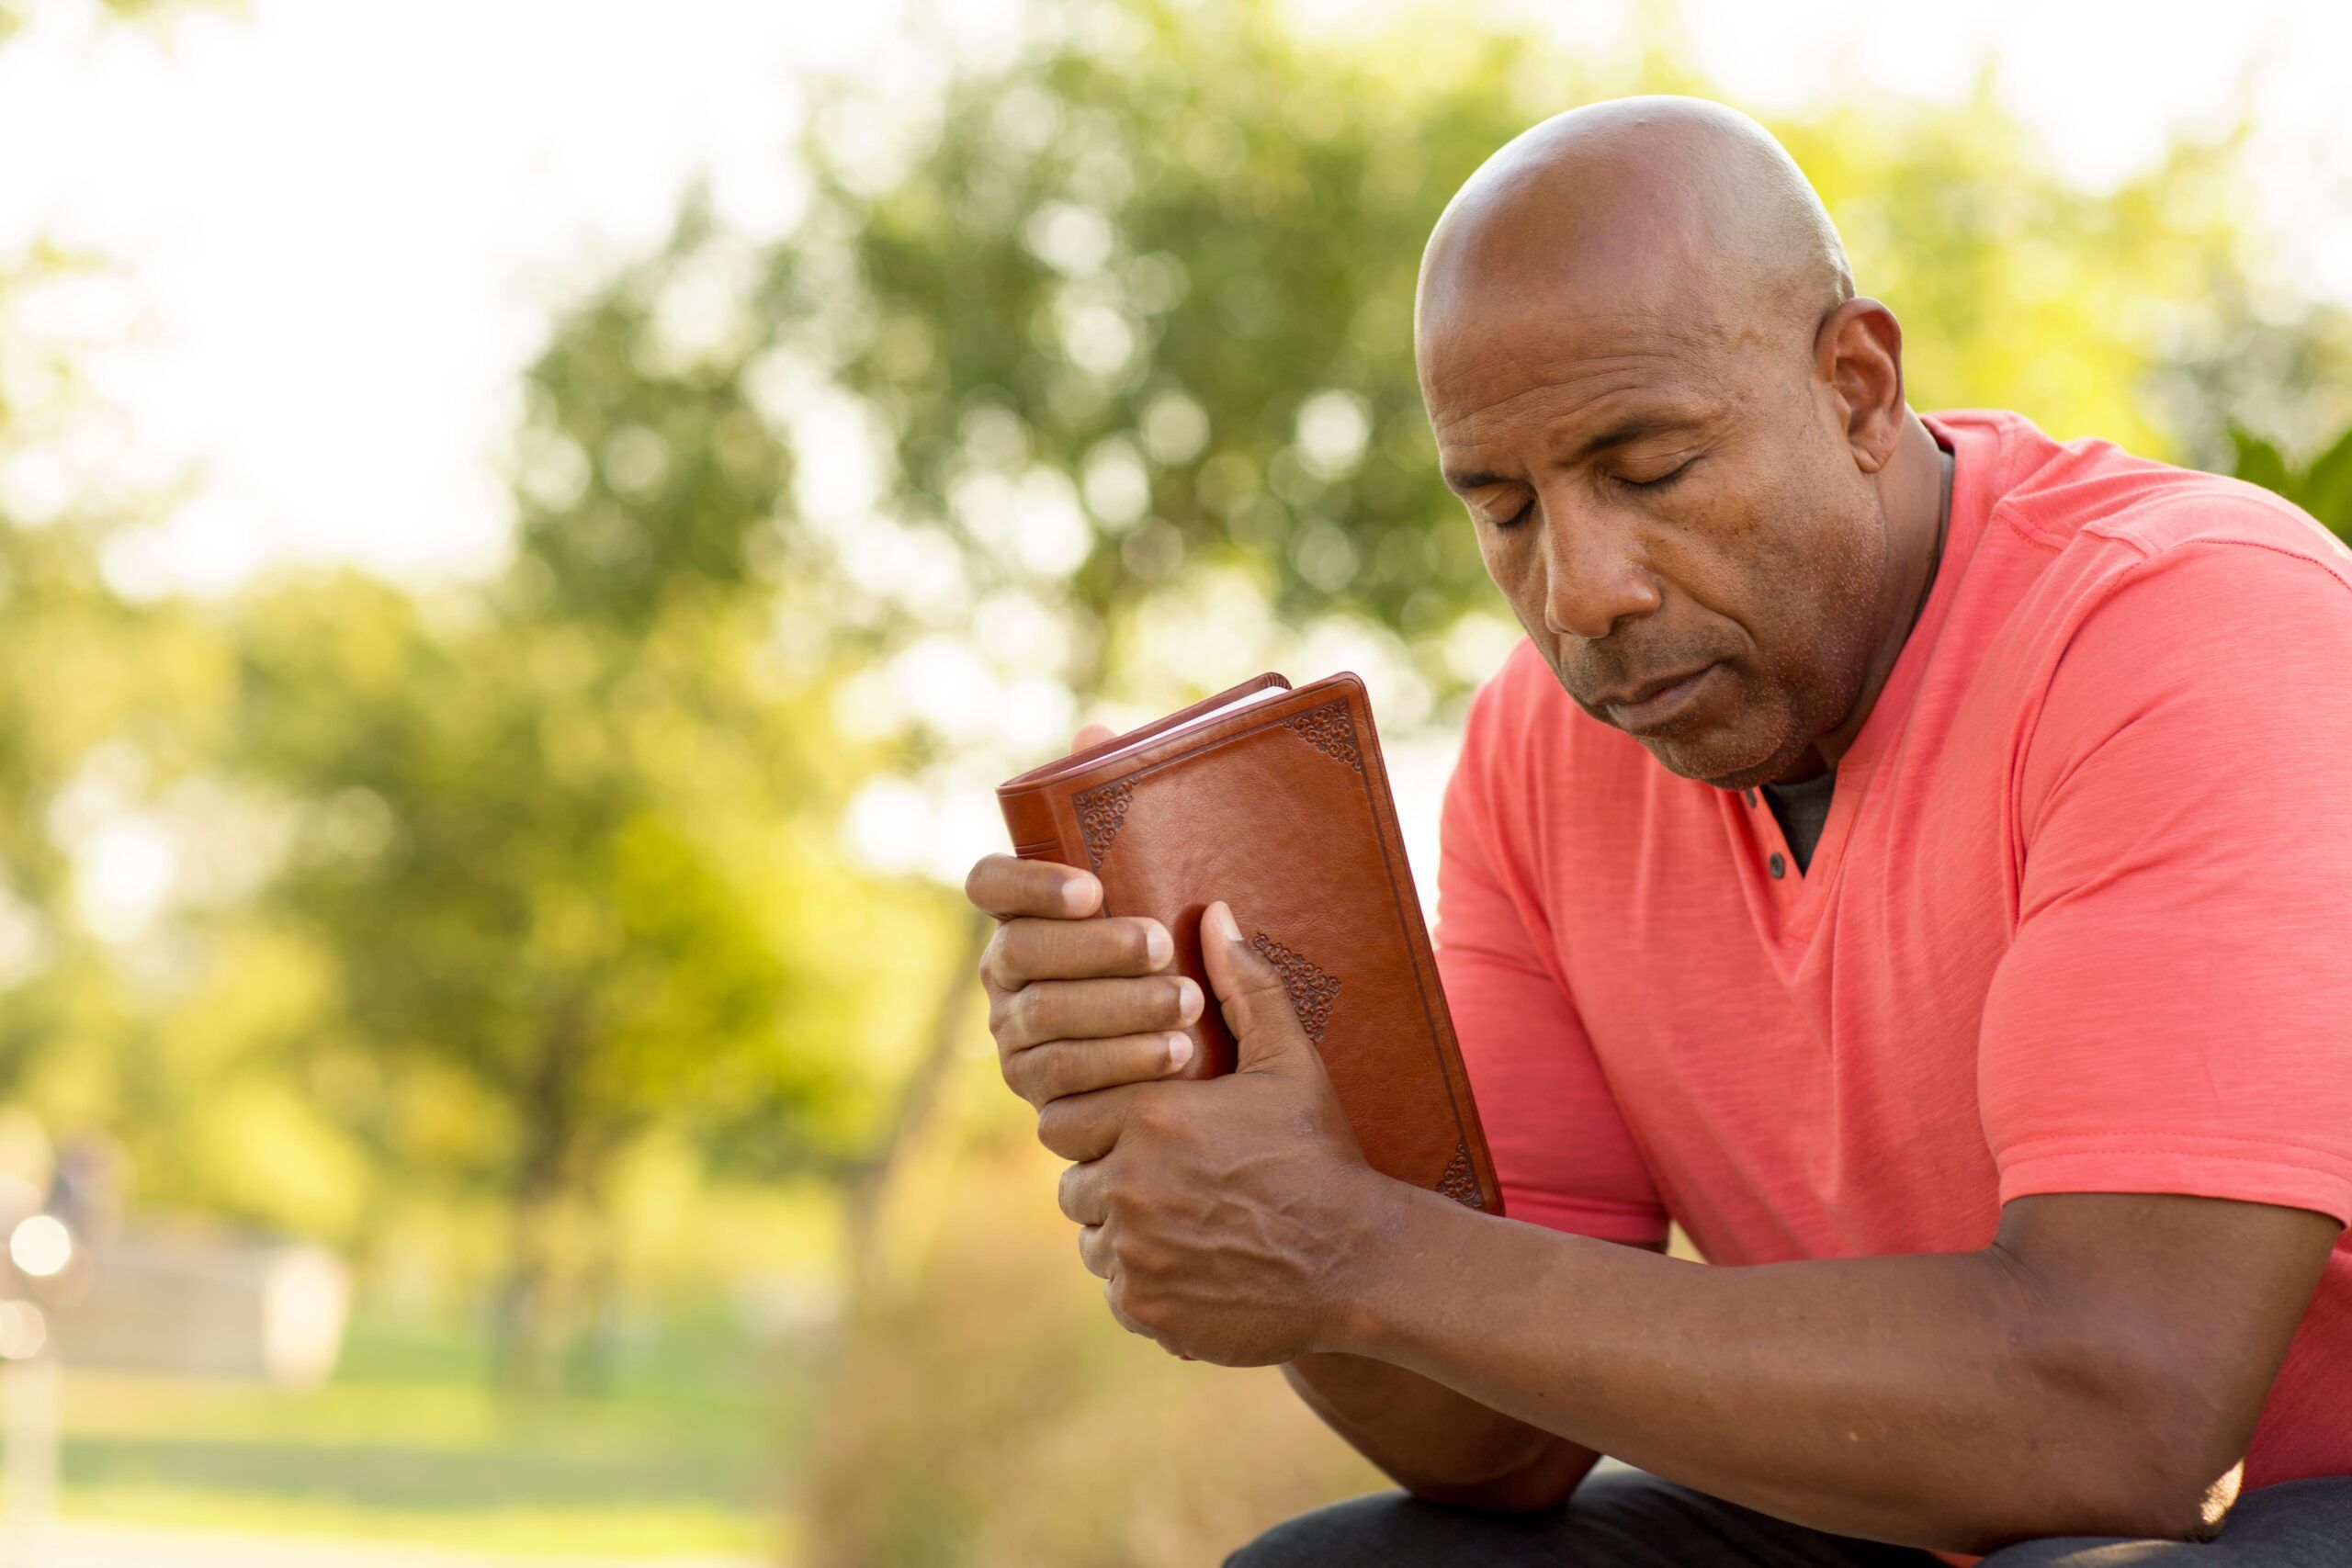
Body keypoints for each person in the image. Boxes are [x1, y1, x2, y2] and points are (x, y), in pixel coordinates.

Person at [961, 96, 2352, 1565]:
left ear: (1859, 388)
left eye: (1650, 470)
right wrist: (1247, 1140)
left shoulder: (2188, 628)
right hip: (1939, 1498)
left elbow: (2123, 1410)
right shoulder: (1540, 748)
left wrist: (1358, 1246)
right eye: (1506, 510)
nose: (1583, 592)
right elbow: (1500, 1446)